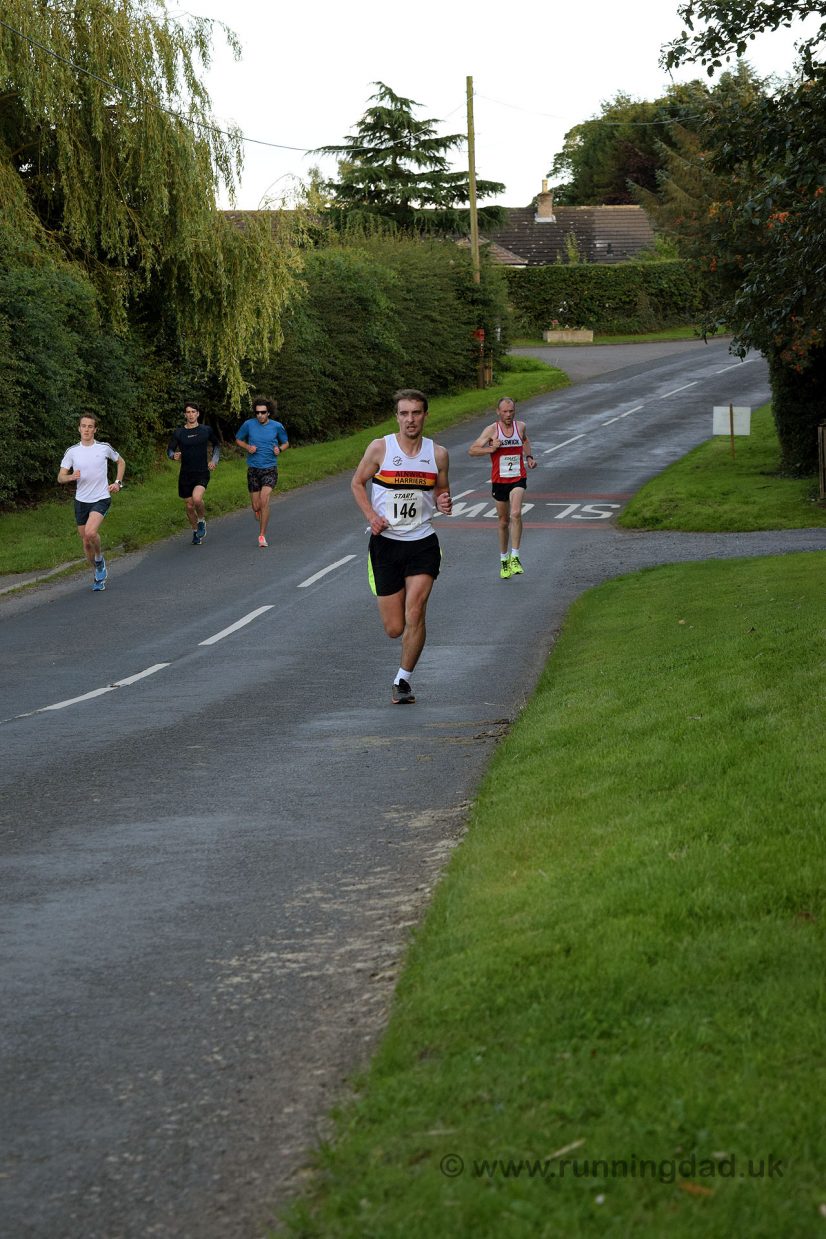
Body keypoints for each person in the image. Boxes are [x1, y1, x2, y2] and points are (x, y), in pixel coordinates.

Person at [351, 388, 452, 705]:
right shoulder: (380, 448)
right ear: (397, 416)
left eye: (416, 412)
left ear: (425, 415)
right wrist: (372, 515)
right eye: (404, 413)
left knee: (416, 611)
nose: (410, 419)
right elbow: (357, 483)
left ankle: (402, 681)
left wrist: (444, 501)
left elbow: (442, 492)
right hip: (386, 546)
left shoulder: (438, 455)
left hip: (422, 542)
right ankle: (403, 668)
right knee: (395, 628)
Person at [468, 396, 537, 579]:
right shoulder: (492, 430)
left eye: (511, 411)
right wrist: (490, 449)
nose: (508, 414)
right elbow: (472, 450)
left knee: (516, 513)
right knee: (503, 521)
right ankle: (504, 560)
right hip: (499, 481)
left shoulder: (520, 426)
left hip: (518, 478)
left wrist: (529, 457)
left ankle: (515, 556)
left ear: (515, 411)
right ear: (498, 412)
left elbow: (524, 439)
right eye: (505, 411)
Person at [58, 413, 126, 592]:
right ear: (78, 428)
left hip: (101, 497)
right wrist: (71, 476)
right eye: (83, 426)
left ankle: (99, 558)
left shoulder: (104, 448)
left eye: (90, 426)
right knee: (86, 541)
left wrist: (118, 482)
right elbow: (60, 477)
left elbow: (120, 462)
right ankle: (98, 567)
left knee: (90, 532)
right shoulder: (72, 451)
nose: (86, 429)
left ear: (95, 430)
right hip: (81, 501)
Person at [234, 396, 289, 547]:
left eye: (263, 412)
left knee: (264, 500)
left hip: (270, 469)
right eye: (257, 412)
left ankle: (262, 535)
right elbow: (238, 439)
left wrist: (280, 449)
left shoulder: (277, 426)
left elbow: (286, 443)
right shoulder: (248, 425)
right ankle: (258, 511)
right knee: (256, 506)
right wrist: (247, 447)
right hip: (253, 470)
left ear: (269, 412)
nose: (260, 415)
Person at [167, 401, 221, 544]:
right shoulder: (179, 433)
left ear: (198, 414)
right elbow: (170, 450)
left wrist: (214, 460)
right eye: (188, 412)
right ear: (185, 414)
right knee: (189, 506)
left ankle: (202, 520)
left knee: (197, 499)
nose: (191, 414)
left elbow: (216, 445)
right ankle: (196, 531)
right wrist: (173, 455)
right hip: (185, 474)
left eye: (193, 412)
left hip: (202, 472)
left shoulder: (206, 430)